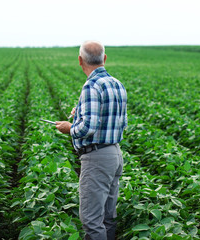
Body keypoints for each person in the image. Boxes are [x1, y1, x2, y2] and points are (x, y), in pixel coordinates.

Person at [55, 40, 128, 240]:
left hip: (97, 158)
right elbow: (120, 122)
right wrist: (79, 114)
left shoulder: (91, 86)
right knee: (107, 217)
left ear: (80, 60)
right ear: (104, 58)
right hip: (115, 154)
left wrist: (69, 127)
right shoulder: (117, 84)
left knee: (91, 220)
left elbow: (88, 128)